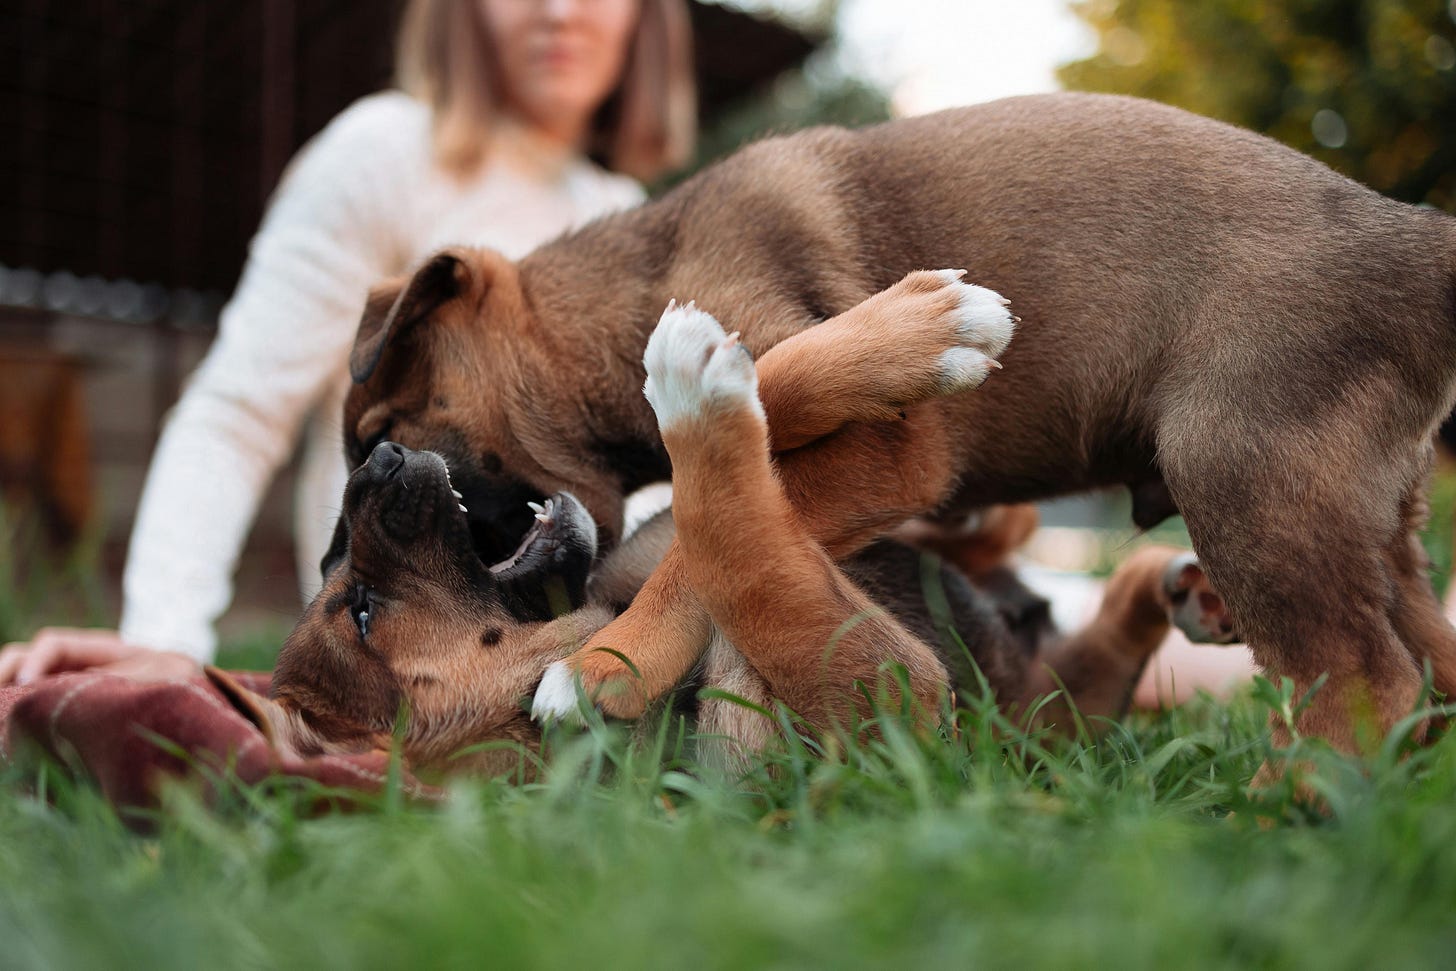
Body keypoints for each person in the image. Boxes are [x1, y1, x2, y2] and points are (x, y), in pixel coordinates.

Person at [0, 0, 696, 685]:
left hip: (582, 667)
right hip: (394, 659)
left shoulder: (624, 211)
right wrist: (163, 638)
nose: (559, 12)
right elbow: (238, 413)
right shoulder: (387, 153)